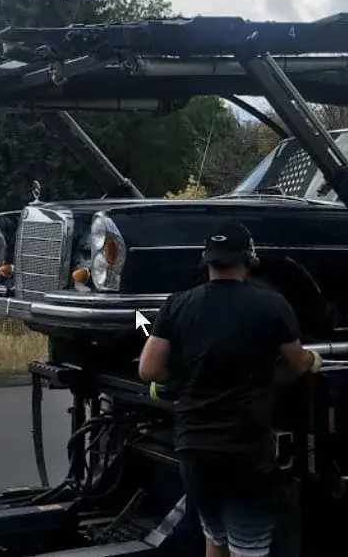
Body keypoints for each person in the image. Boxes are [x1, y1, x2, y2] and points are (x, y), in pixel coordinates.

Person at [138, 220, 322, 557]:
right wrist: (313, 359)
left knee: (215, 538)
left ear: (206, 259)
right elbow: (297, 364)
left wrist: (182, 378)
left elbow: (148, 369)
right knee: (247, 548)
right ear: (249, 257)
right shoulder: (271, 304)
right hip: (244, 453)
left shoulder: (177, 304)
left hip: (194, 451)